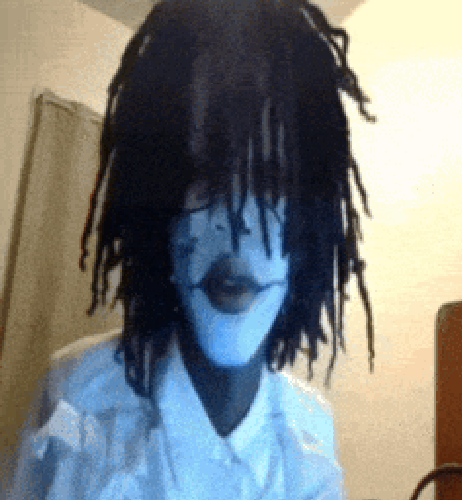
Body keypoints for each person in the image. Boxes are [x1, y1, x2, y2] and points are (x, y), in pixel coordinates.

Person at [6, 0, 376, 498]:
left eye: (270, 179)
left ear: (312, 223)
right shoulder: (76, 401)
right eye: (203, 173)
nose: (236, 225)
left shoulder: (311, 438)